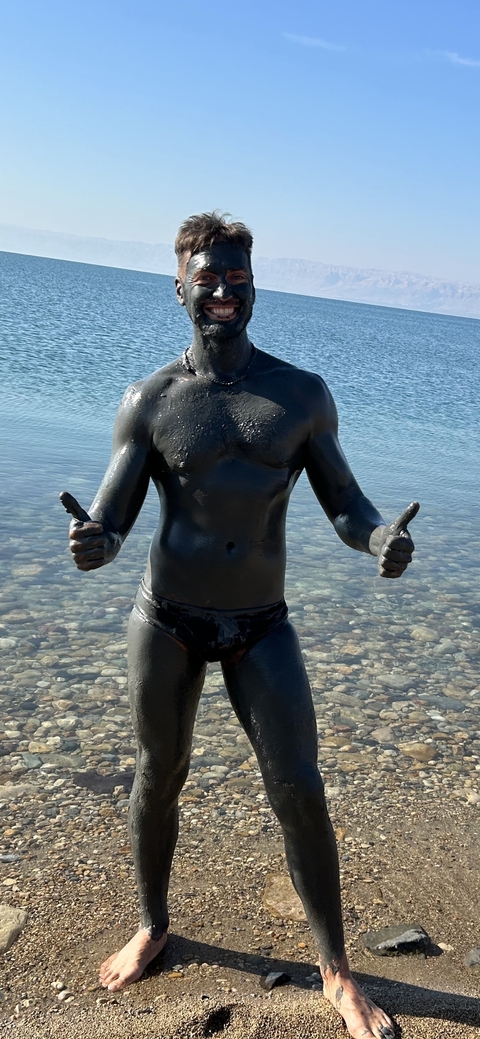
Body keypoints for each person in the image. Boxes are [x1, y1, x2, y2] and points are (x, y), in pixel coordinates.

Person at [64, 212, 418, 1039]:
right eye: (208, 278)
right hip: (167, 620)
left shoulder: (299, 395)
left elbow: (347, 505)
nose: (223, 291)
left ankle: (337, 970)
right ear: (180, 289)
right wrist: (94, 544)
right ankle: (153, 923)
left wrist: (379, 540)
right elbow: (112, 523)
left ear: (254, 287)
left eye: (237, 278)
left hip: (262, 623)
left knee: (299, 785)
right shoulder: (151, 401)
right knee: (160, 775)